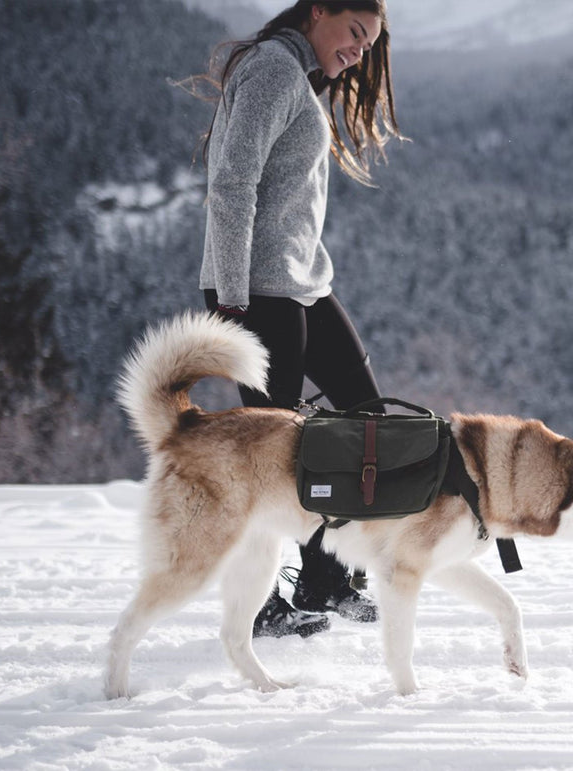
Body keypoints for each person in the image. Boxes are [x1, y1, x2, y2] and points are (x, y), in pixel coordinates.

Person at [195, 1, 402, 638]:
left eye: (369, 44)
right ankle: (256, 605)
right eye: (356, 34)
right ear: (319, 12)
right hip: (256, 289)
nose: (360, 52)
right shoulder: (273, 71)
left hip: (304, 285)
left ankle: (323, 578)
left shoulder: (296, 75)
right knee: (274, 455)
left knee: (363, 418)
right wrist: (232, 291)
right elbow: (232, 181)